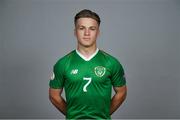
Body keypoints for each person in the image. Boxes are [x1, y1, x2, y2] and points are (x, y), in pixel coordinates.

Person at [49, 9, 127, 119]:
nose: (87, 33)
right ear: (75, 32)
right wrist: (72, 115)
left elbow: (122, 93)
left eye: (92, 29)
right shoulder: (63, 64)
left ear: (98, 32)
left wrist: (104, 113)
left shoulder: (111, 63)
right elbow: (54, 96)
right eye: (82, 28)